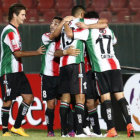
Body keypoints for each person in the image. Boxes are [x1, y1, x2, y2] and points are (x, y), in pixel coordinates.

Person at [69, 11, 135, 137]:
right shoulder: (109, 30)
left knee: (106, 98)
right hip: (115, 65)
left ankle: (112, 129)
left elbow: (70, 34)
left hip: (100, 68)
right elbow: (114, 41)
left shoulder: (87, 31)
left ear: (86, 19)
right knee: (120, 96)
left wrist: (68, 23)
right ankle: (129, 123)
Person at [59, 5, 107, 137]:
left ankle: (64, 132)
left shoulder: (65, 24)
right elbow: (104, 22)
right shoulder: (83, 23)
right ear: (81, 14)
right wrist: (88, 26)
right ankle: (80, 131)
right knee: (80, 97)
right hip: (76, 63)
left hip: (63, 64)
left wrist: (64, 22)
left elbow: (58, 43)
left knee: (66, 98)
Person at [0, 3, 45, 136]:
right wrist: (36, 53)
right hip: (8, 71)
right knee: (8, 100)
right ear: (14, 15)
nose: (25, 17)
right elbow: (17, 54)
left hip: (18, 71)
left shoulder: (15, 30)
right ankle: (4, 131)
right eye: (23, 14)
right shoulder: (9, 31)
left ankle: (17, 126)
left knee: (29, 97)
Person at [40, 16, 80, 137]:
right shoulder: (46, 36)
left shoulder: (65, 38)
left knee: (67, 102)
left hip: (63, 74)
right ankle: (50, 130)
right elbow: (53, 37)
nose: (52, 25)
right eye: (52, 23)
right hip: (48, 76)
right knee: (51, 104)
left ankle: (69, 129)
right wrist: (63, 21)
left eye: (56, 23)